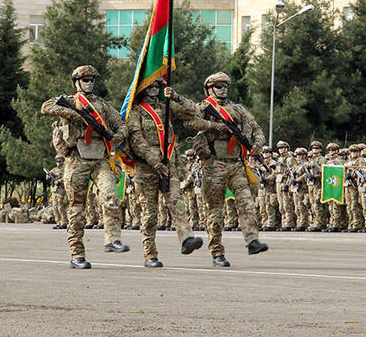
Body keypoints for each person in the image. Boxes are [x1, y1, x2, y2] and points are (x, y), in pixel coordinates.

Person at [40, 65, 130, 269]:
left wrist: (119, 136)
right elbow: (46, 107)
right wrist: (74, 114)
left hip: (100, 158)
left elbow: (121, 123)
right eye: (85, 80)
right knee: (77, 209)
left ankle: (112, 239)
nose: (89, 83)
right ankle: (77, 254)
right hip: (76, 159)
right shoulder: (71, 101)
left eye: (92, 80)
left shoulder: (102, 105)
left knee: (111, 194)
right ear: (76, 83)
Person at [126, 79, 214, 268]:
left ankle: (186, 238)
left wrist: (176, 96)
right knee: (150, 213)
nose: (154, 89)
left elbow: (193, 111)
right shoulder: (136, 112)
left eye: (157, 86)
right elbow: (136, 139)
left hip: (168, 163)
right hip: (147, 167)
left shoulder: (166, 107)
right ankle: (150, 254)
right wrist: (154, 162)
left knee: (176, 201)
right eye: (150, 86)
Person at [187, 72, 268, 267]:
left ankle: (252, 241)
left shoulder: (238, 109)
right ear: (209, 89)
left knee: (246, 202)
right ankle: (217, 251)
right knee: (216, 211)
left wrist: (257, 144)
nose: (223, 89)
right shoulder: (204, 107)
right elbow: (190, 122)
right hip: (213, 165)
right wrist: (215, 126)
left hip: (236, 164)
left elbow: (256, 128)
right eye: (219, 86)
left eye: (225, 86)